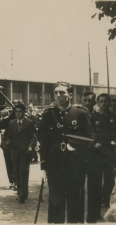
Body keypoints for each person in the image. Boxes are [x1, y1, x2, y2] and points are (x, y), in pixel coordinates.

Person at [39, 81, 93, 223]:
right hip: (55, 165)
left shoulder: (81, 113)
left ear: (69, 94)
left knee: (76, 201)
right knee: (56, 201)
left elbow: (90, 139)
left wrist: (76, 146)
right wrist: (43, 167)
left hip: (75, 165)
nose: (58, 95)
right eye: (56, 92)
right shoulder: (48, 115)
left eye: (62, 92)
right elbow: (44, 143)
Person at [6, 103, 35, 204]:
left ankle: (23, 195)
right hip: (15, 152)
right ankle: (19, 193)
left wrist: (31, 147)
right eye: (16, 112)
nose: (17, 114)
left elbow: (33, 138)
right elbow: (9, 136)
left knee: (23, 173)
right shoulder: (11, 123)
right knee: (17, 173)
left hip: (25, 152)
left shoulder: (29, 123)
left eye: (20, 112)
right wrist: (8, 142)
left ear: (24, 112)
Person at [80, 91, 102, 222]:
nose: (87, 103)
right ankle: (79, 216)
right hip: (80, 156)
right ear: (81, 101)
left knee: (95, 187)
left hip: (95, 156)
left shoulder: (98, 117)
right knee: (79, 187)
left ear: (94, 102)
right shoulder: (76, 116)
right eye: (85, 100)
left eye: (90, 100)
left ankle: (93, 216)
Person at [91, 93, 116, 209]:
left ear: (110, 102)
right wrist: (94, 143)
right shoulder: (93, 118)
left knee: (109, 178)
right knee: (96, 179)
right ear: (97, 103)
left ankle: (107, 200)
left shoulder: (114, 117)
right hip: (98, 152)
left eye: (106, 101)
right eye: (101, 101)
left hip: (110, 152)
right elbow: (90, 134)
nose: (104, 104)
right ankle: (97, 203)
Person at [0, 99, 22, 190]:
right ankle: (13, 181)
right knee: (9, 163)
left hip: (19, 144)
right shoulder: (8, 117)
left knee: (18, 164)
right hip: (8, 144)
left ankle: (19, 181)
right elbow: (0, 125)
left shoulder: (24, 116)